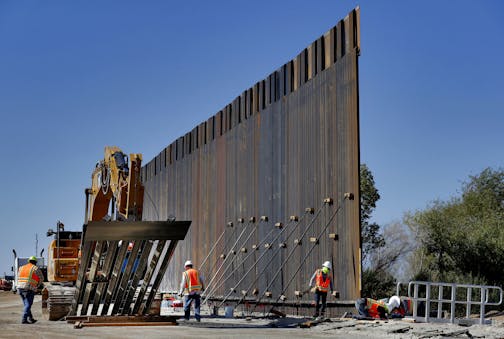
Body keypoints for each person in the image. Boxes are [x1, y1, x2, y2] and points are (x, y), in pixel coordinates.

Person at [17, 256, 44, 324]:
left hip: (20, 288)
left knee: (26, 304)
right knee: (28, 304)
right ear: (35, 262)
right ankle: (24, 319)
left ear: (29, 261)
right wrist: (38, 285)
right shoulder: (35, 268)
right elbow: (41, 278)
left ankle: (31, 318)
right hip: (28, 288)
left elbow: (18, 277)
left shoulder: (21, 267)